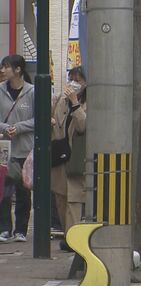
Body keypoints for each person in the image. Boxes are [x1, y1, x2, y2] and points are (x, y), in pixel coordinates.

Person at [51, 67, 88, 251]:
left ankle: (73, 239)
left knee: (74, 199)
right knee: (60, 196)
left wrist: (75, 103)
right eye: (71, 79)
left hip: (77, 157)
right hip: (59, 153)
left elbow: (83, 126)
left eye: (78, 80)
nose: (73, 84)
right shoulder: (59, 100)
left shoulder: (88, 102)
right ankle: (68, 235)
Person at [0, 55, 34, 244]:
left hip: (24, 150)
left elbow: (40, 118)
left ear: (18, 69)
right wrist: (6, 128)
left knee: (23, 191)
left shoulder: (32, 91)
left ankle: (21, 230)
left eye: (6, 67)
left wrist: (19, 127)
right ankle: (4, 229)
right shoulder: (0, 90)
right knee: (3, 192)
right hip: (4, 149)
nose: (3, 70)